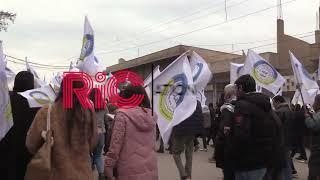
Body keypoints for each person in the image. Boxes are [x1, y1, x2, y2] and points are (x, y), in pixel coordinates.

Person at [26, 80, 97, 180]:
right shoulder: (88, 112)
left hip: (55, 173)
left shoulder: (47, 112)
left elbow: (31, 144)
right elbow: (93, 142)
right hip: (83, 174)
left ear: (62, 89)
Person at [104, 85, 158, 180]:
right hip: (150, 168)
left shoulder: (122, 115)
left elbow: (115, 145)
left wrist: (108, 166)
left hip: (128, 170)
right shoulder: (151, 116)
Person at [231, 75, 276, 180]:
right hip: (263, 159)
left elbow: (240, 135)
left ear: (241, 88)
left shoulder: (242, 105)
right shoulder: (266, 105)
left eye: (236, 88)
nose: (235, 92)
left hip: (246, 161)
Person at [0, 71, 40, 180]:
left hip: (4, 151)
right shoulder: (36, 105)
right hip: (25, 155)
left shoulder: (5, 100)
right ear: (31, 85)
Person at [172, 100, 204, 180]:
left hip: (180, 131)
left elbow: (174, 116)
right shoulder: (197, 102)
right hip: (192, 132)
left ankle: (183, 174)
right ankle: (188, 176)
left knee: (176, 153)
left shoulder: (178, 100)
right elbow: (200, 118)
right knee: (189, 155)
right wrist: (197, 135)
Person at [214, 84, 237, 180]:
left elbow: (225, 130)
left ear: (227, 95)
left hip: (228, 146)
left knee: (229, 172)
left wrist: (219, 143)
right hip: (237, 145)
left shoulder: (227, 109)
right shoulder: (240, 105)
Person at [270, 95, 295, 180]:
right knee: (287, 163)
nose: (273, 105)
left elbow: (276, 127)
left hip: (281, 141)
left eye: (274, 103)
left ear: (278, 102)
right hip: (288, 140)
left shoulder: (279, 112)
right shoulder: (289, 110)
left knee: (282, 165)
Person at [90, 89, 108, 180]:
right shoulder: (104, 106)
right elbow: (106, 119)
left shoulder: (88, 106)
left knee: (89, 154)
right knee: (98, 155)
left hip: (91, 134)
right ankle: (101, 174)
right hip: (101, 134)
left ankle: (88, 173)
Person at [304, 94, 320, 180]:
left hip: (318, 147)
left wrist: (307, 118)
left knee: (314, 168)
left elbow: (314, 125)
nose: (313, 104)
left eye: (315, 101)